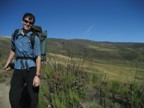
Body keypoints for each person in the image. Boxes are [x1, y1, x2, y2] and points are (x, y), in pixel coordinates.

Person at [4, 12, 41, 108]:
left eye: (30, 23)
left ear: (32, 24)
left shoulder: (34, 38)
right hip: (18, 67)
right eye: (26, 21)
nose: (28, 24)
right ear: (22, 21)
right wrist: (8, 62)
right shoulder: (15, 34)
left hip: (31, 68)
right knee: (13, 96)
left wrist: (37, 75)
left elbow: (38, 56)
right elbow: (13, 49)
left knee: (33, 96)